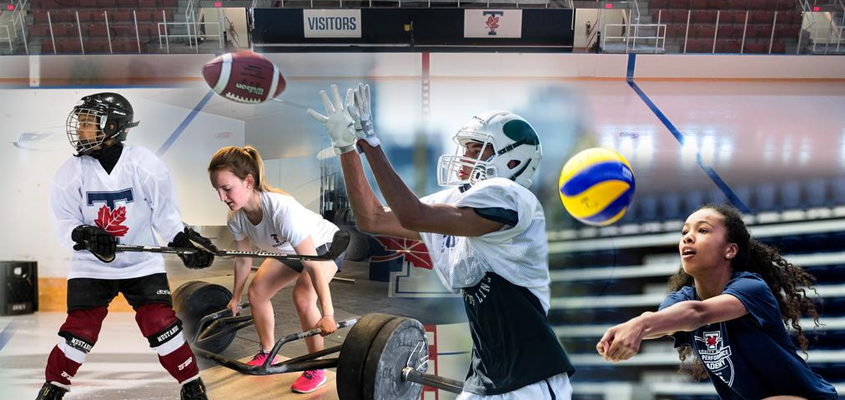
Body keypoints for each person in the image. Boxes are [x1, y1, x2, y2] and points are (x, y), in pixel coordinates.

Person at [308, 84, 575, 400]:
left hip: (531, 379)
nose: (465, 157)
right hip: (487, 374)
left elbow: (413, 214)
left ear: (513, 161)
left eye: (477, 149)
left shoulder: (513, 196)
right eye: (466, 147)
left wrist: (370, 143)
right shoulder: (458, 201)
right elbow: (372, 218)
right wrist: (346, 147)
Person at [41, 93, 217, 400]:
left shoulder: (144, 164)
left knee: (159, 323)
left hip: (141, 263)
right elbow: (63, 222)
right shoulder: (69, 172)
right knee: (80, 328)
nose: (80, 130)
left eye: (87, 123)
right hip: (91, 265)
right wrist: (83, 234)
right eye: (80, 122)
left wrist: (182, 240)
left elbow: (165, 216)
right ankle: (54, 385)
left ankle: (190, 382)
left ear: (112, 127)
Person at [596, 204, 838, 400]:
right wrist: (628, 334)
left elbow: (697, 314)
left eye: (702, 230)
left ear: (730, 250)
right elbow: (669, 322)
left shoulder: (751, 287)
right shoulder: (680, 299)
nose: (688, 238)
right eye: (684, 232)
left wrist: (640, 324)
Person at [207, 146, 343, 394]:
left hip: (325, 246)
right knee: (257, 291)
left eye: (226, 188)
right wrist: (235, 297)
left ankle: (317, 367)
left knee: (303, 297)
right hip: (290, 250)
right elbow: (242, 259)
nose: (221, 197)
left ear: (248, 181)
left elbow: (311, 262)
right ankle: (267, 354)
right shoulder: (236, 217)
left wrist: (329, 313)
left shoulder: (281, 210)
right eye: (217, 190)